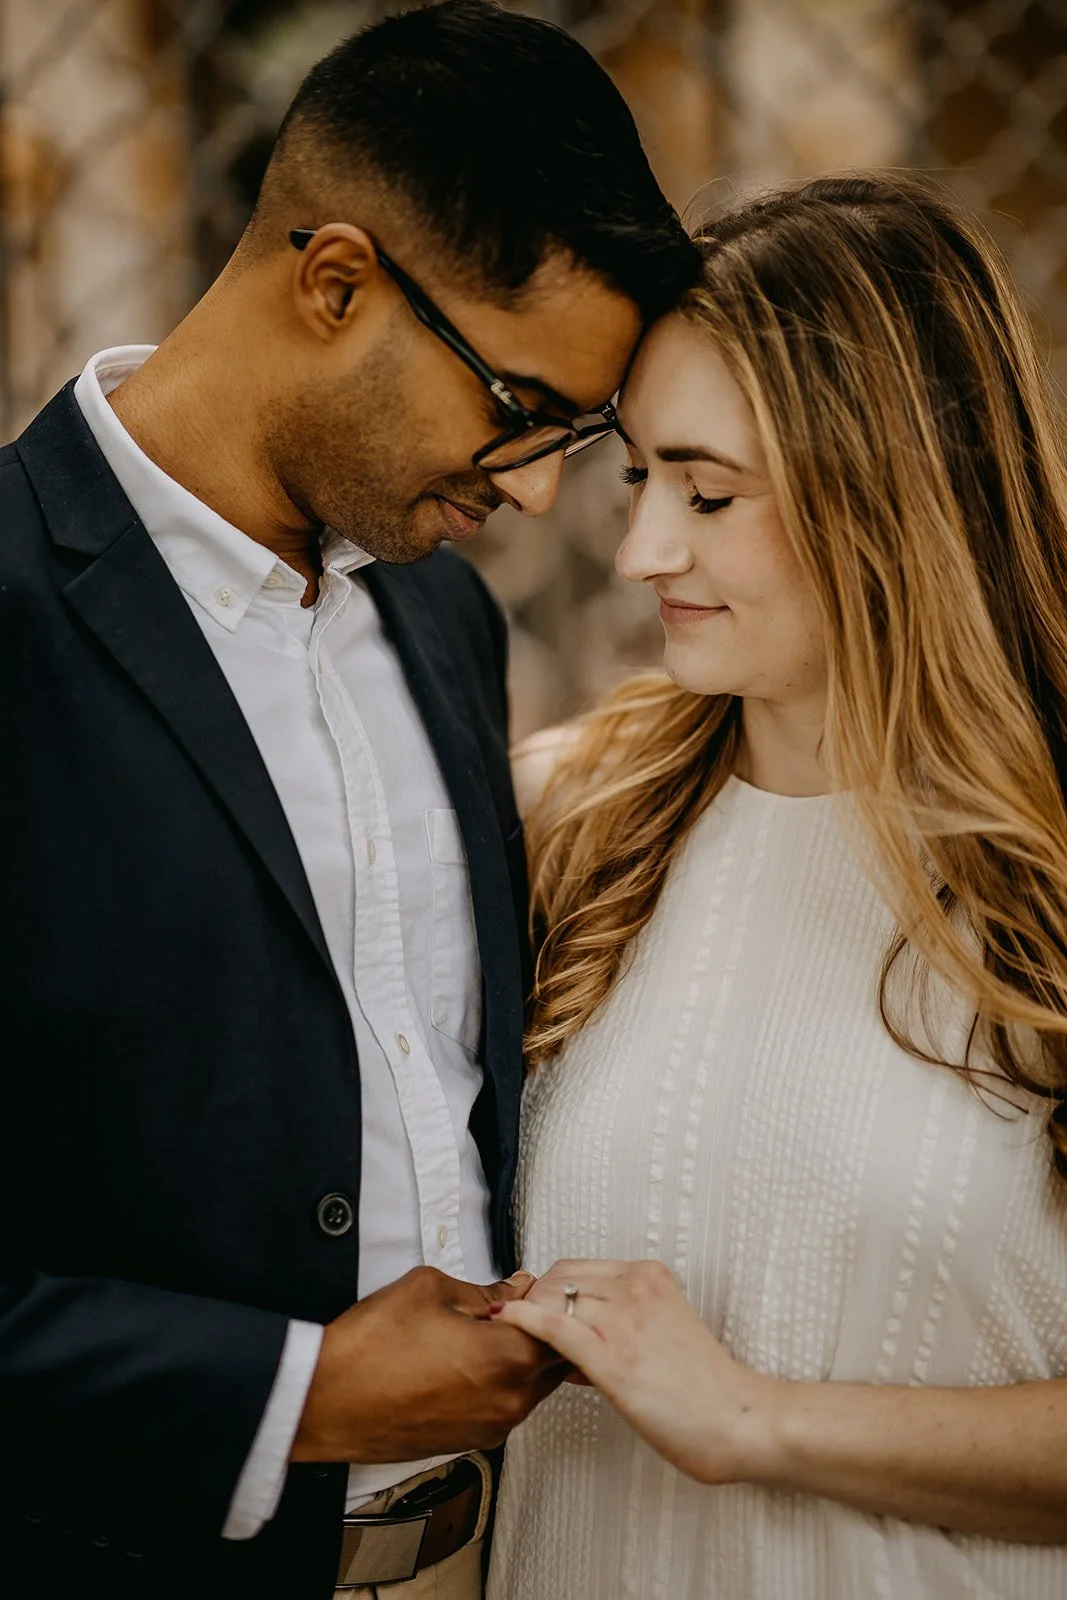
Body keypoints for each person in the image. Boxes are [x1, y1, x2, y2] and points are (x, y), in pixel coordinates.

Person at [0, 3, 699, 1595]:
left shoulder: (440, 619)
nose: (534, 490)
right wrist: (287, 1400)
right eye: (520, 412)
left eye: (573, 439)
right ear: (334, 284)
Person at [488, 172, 1067, 1599]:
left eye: (710, 492)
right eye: (640, 477)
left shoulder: (1046, 861)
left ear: (889, 490)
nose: (641, 551)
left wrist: (756, 1422)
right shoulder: (564, 818)